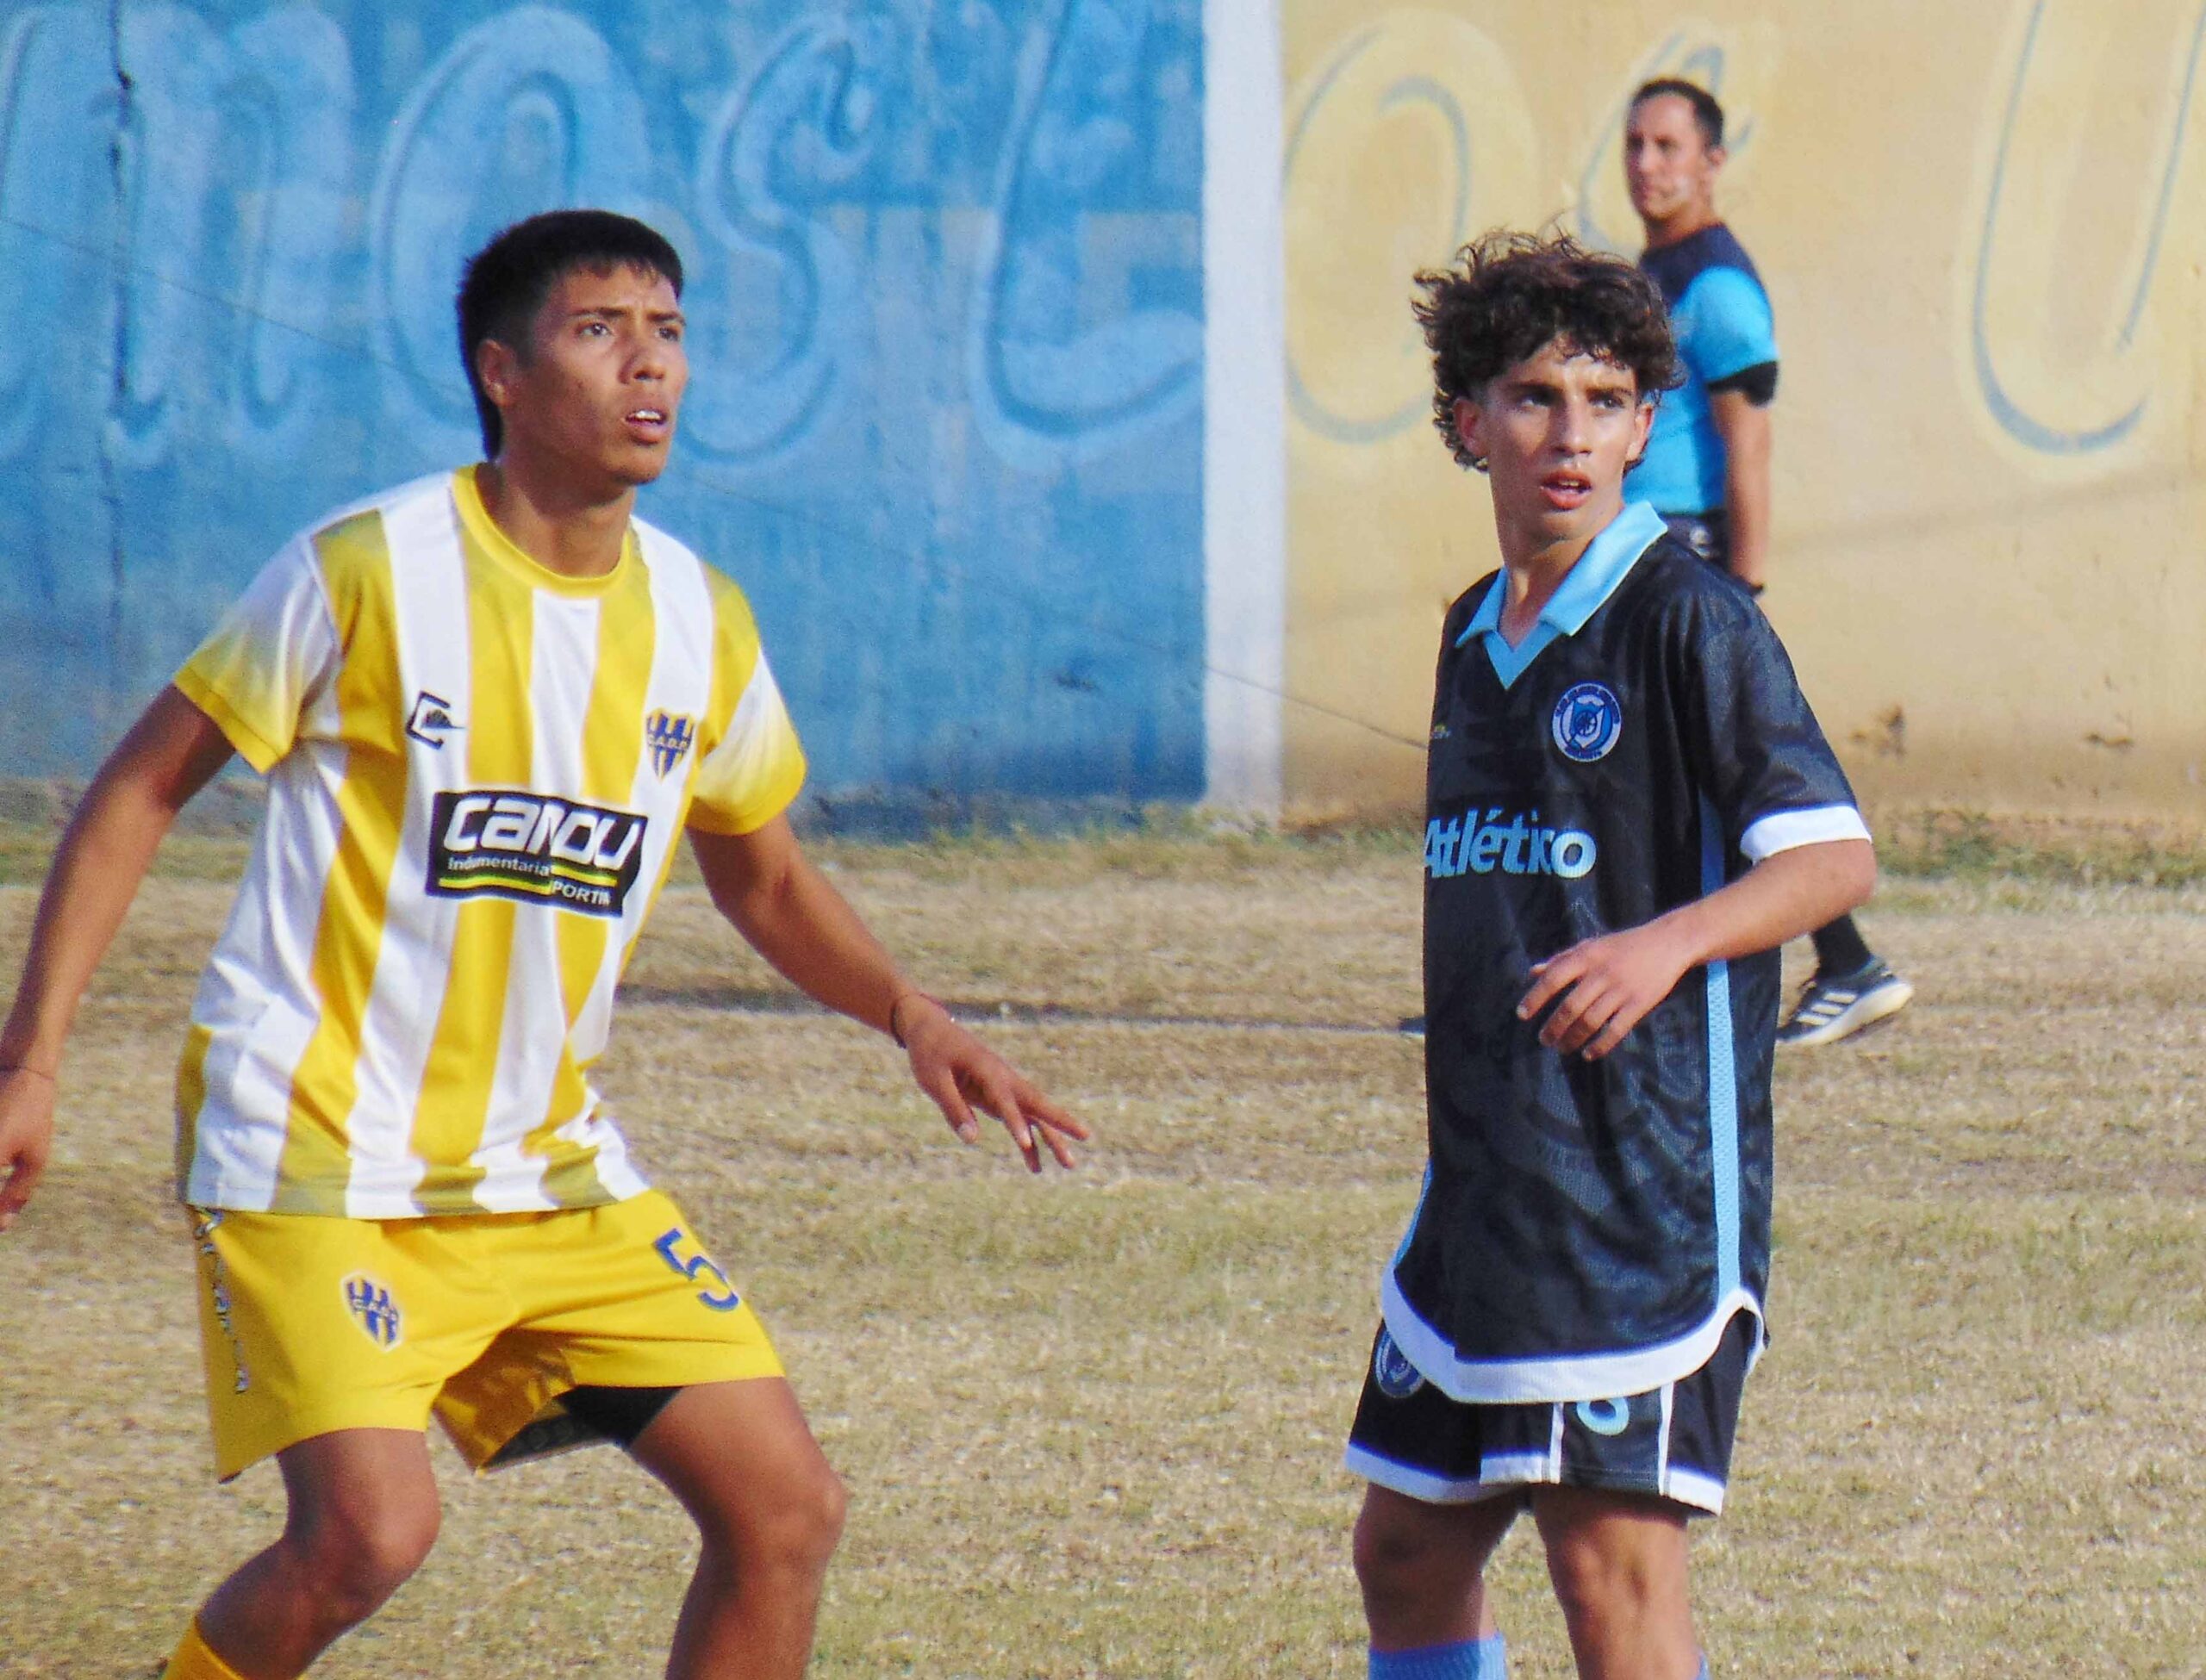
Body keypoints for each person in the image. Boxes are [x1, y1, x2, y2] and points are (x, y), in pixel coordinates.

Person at [0, 208, 1087, 1680]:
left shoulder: (701, 623)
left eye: (673, 333)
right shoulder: (367, 569)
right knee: (366, 1540)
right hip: (316, 1152)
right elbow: (140, 784)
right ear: (502, 373)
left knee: (787, 1510)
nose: (650, 367)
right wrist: (34, 1057)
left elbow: (760, 877)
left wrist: (913, 1014)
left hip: (549, 1170)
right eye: (602, 331)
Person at [1345, 231, 1876, 1680]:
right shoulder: (1473, 629)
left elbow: (1834, 860)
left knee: (1609, 1572)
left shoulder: (1689, 618)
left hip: (1638, 1197)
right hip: (1490, 1188)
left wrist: (1665, 949)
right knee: (1407, 1547)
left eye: (1602, 400)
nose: (1567, 435)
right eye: (1530, 398)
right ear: (1469, 422)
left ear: (1650, 424)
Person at [1623, 77, 1911, 1048]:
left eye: (1668, 146)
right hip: (1638, 545)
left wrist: (1739, 583)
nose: (1647, 165)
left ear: (1711, 162)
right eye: (1635, 145)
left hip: (1687, 546)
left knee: (1727, 763)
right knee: (1668, 768)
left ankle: (1847, 962)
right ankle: (1841, 963)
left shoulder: (1717, 286)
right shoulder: (1648, 276)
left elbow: (1748, 443)